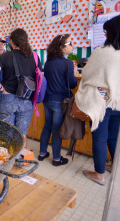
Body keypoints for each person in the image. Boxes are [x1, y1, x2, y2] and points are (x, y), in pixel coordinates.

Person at [75, 15, 120, 185]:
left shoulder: (102, 52)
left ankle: (99, 174)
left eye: (106, 31)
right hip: (118, 102)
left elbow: (86, 73)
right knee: (114, 137)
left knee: (100, 138)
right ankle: (114, 167)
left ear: (112, 32)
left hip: (101, 102)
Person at [0, 28, 41, 148]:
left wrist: (1, 88)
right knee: (23, 134)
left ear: (11, 41)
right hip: (27, 99)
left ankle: (8, 161)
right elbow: (39, 77)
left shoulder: (5, 56)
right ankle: (21, 159)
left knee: (7, 132)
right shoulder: (34, 57)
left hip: (8, 98)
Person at [38, 34, 77, 166]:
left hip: (47, 99)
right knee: (56, 130)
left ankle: (42, 153)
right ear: (61, 48)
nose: (72, 46)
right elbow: (72, 84)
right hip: (60, 101)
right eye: (69, 44)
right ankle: (56, 159)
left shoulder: (48, 62)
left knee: (47, 127)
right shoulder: (68, 63)